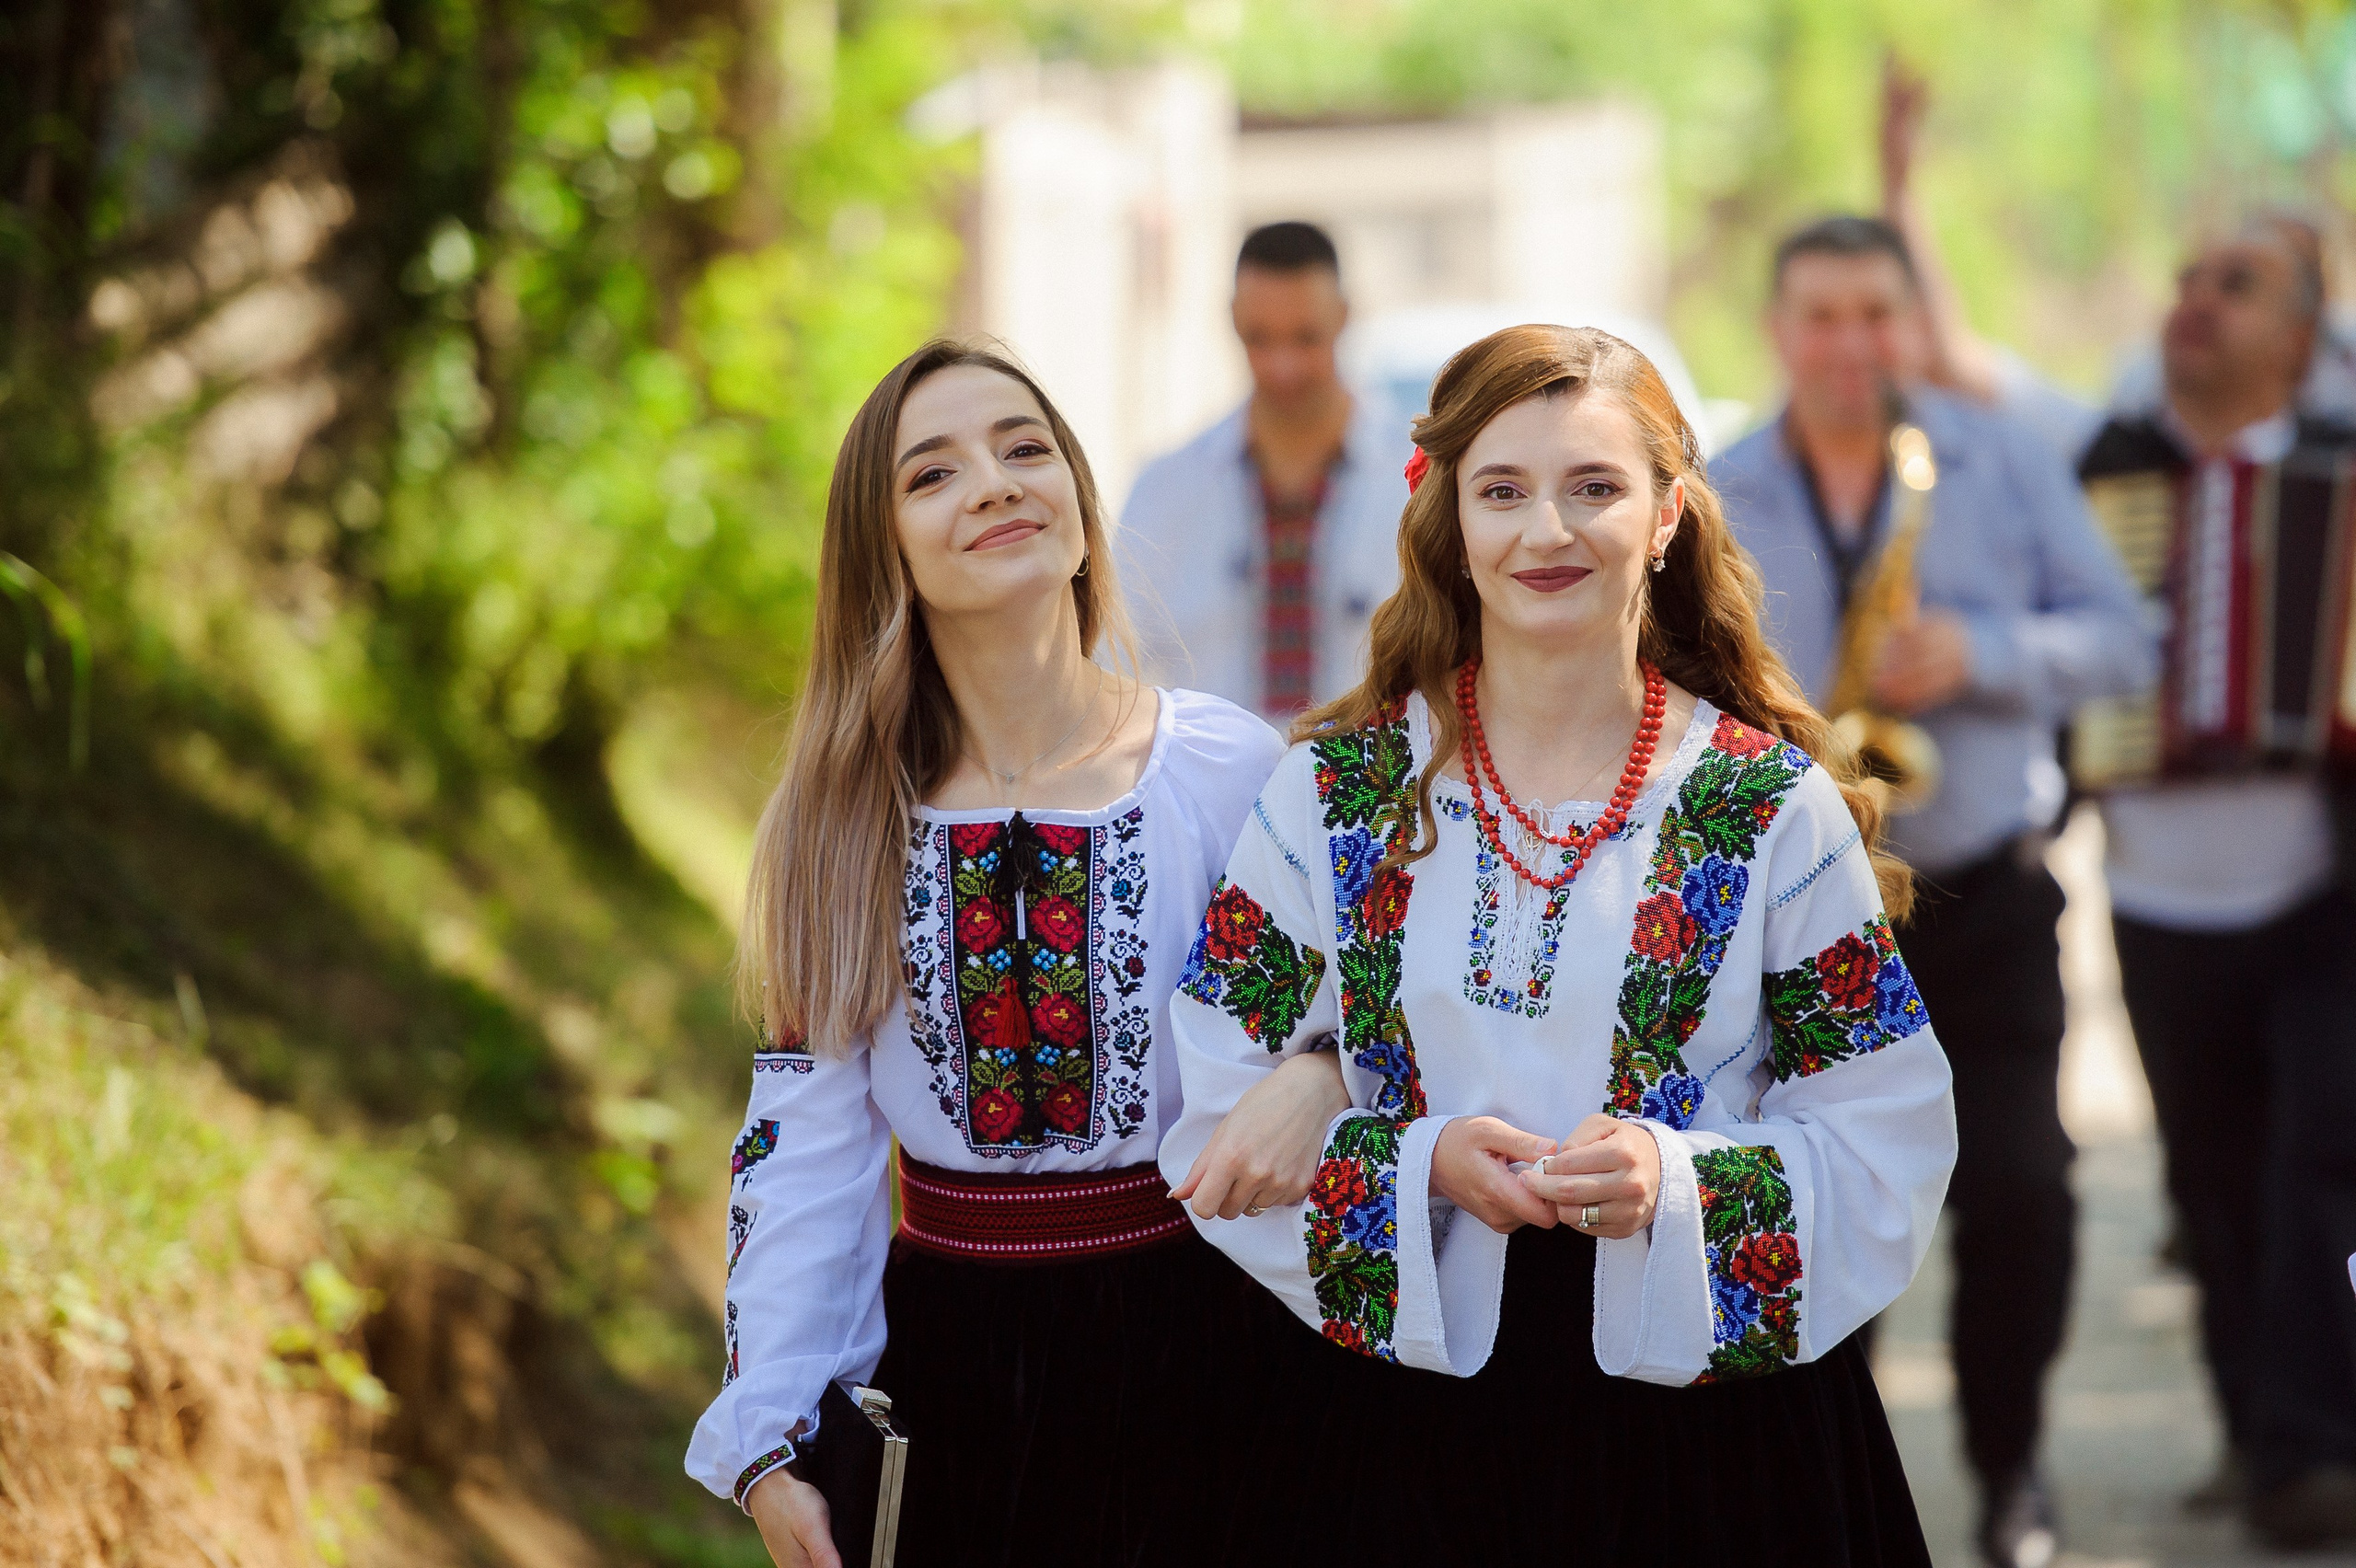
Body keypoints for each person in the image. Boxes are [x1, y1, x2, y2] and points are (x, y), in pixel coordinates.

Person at [1161, 323, 1956, 1562]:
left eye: (1595, 487)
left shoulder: (1764, 807)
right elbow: (1212, 1103)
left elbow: (1888, 1131)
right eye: (1504, 491)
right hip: (1392, 1436)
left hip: (1703, 1441)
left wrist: (1674, 1179)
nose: (1547, 531)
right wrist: (1415, 1161)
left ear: (1666, 516)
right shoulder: (1332, 797)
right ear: (1450, 521)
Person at [686, 340, 1352, 1567]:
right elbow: (810, 1149)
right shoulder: (839, 828)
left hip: (1219, 1341)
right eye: (931, 473)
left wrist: (1320, 1072)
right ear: (881, 551)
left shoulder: (1228, 770)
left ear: (1083, 511)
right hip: (952, 1375)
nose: (994, 482)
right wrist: (770, 1438)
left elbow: (1356, 1015)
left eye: (1025, 448)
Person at [1711, 218, 2156, 1568]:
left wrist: (1988, 650)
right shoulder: (1717, 484)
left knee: (2023, 1192)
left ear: (1912, 325)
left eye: (1876, 315)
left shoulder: (2002, 455)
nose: (1852, 346)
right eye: (1823, 316)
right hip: (1796, 919)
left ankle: (2010, 1464)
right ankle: (1831, 1481)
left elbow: (2129, 637)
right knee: (1812, 1198)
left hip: (1985, 896)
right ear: (1779, 329)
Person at [2074, 224, 2356, 1550]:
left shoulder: (2336, 478)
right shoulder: (2104, 474)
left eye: (2233, 288)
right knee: (2210, 1180)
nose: (2194, 303)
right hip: (2155, 897)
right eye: (2184, 280)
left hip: (2321, 892)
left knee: (2321, 1160)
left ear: (2299, 343)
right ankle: (2255, 1434)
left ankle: (2308, 1447)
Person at [1121, 221, 1409, 720]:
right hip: (1216, 789)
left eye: (1305, 338)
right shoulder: (1167, 490)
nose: (1283, 367)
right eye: (1259, 339)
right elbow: (1111, 667)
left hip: (1377, 786)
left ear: (1344, 318)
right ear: (1232, 322)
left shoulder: (1417, 481)